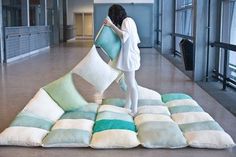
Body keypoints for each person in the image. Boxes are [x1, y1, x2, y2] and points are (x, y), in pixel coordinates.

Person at [104, 4, 141, 115]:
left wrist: (111, 25)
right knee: (129, 83)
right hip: (129, 56)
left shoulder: (127, 21)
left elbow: (124, 35)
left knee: (131, 84)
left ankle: (134, 110)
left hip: (129, 57)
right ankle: (128, 105)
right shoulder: (129, 21)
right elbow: (125, 36)